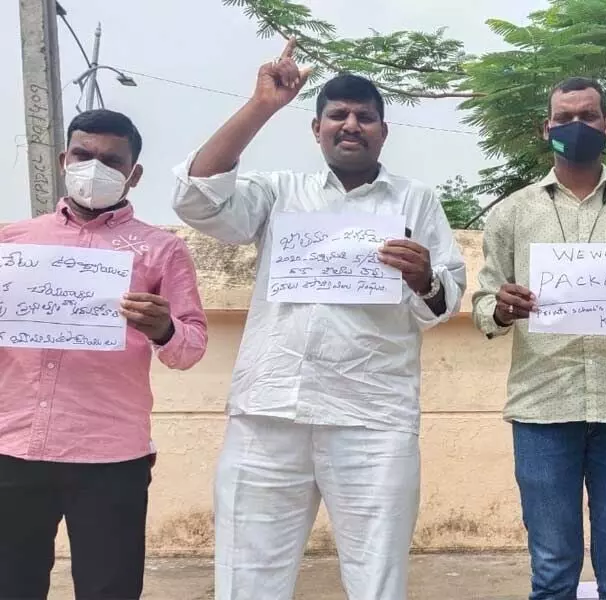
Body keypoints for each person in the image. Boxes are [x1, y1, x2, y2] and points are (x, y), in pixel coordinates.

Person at [172, 38, 466, 600]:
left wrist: (423, 277)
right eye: (337, 115)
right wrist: (263, 105)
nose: (350, 125)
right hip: (268, 412)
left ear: (383, 131)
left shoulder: (416, 200)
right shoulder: (279, 192)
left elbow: (444, 301)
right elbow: (197, 201)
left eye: (365, 117)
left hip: (372, 417)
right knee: (246, 578)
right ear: (316, 128)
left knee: (378, 579)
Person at [472, 77, 606, 600]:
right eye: (565, 117)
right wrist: (502, 307)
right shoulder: (510, 213)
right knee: (551, 569)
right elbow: (482, 305)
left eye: (588, 116)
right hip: (542, 409)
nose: (576, 126)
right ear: (546, 127)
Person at [0, 109, 208, 600]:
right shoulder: (13, 243)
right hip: (12, 446)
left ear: (133, 174)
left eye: (112, 161)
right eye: (83, 155)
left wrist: (163, 328)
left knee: (108, 590)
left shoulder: (162, 251)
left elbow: (191, 349)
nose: (95, 168)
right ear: (63, 160)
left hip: (110, 457)